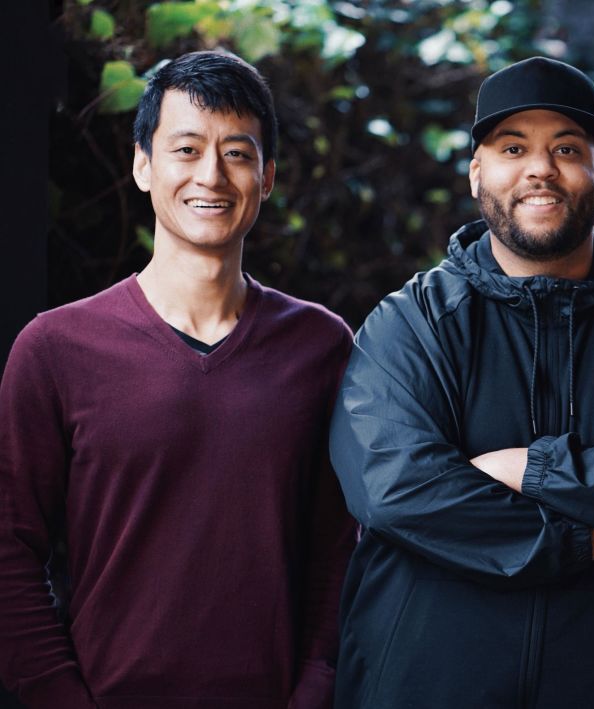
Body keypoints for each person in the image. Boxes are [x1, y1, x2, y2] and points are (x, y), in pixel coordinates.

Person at [329, 56, 594, 708]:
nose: (540, 167)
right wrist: (589, 536)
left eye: (566, 147)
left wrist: (530, 467)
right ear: (477, 172)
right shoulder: (413, 323)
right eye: (513, 147)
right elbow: (395, 485)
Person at [0, 51, 356, 708]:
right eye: (186, 149)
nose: (211, 176)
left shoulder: (322, 348)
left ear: (268, 175)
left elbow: (339, 550)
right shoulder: (54, 348)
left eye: (238, 153)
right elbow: (8, 547)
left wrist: (315, 690)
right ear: (143, 165)